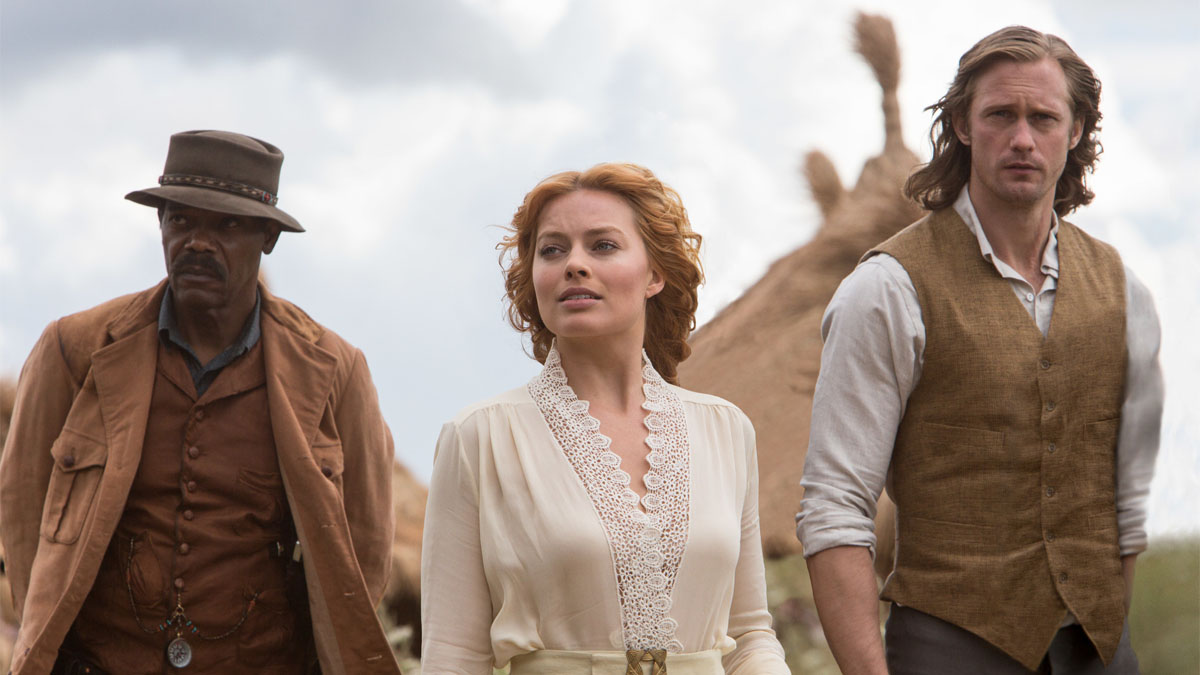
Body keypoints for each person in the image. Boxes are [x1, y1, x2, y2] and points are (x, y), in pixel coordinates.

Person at [796, 26, 1164, 675]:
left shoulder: (1123, 293)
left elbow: (1126, 505)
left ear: (1075, 131)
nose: (1022, 138)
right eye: (1001, 115)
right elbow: (834, 509)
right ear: (964, 125)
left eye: (1044, 117)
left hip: (1100, 649)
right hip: (947, 645)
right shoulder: (887, 288)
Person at [0, 130, 402, 674]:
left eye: (227, 225)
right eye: (180, 220)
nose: (196, 242)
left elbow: (366, 543)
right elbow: (23, 509)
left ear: (268, 238)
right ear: (160, 224)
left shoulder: (333, 371)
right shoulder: (76, 349)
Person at [420, 163, 790, 674]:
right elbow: (453, 655)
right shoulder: (480, 436)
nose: (574, 264)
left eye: (603, 246)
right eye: (552, 250)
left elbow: (750, 633)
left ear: (655, 274)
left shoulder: (725, 429)